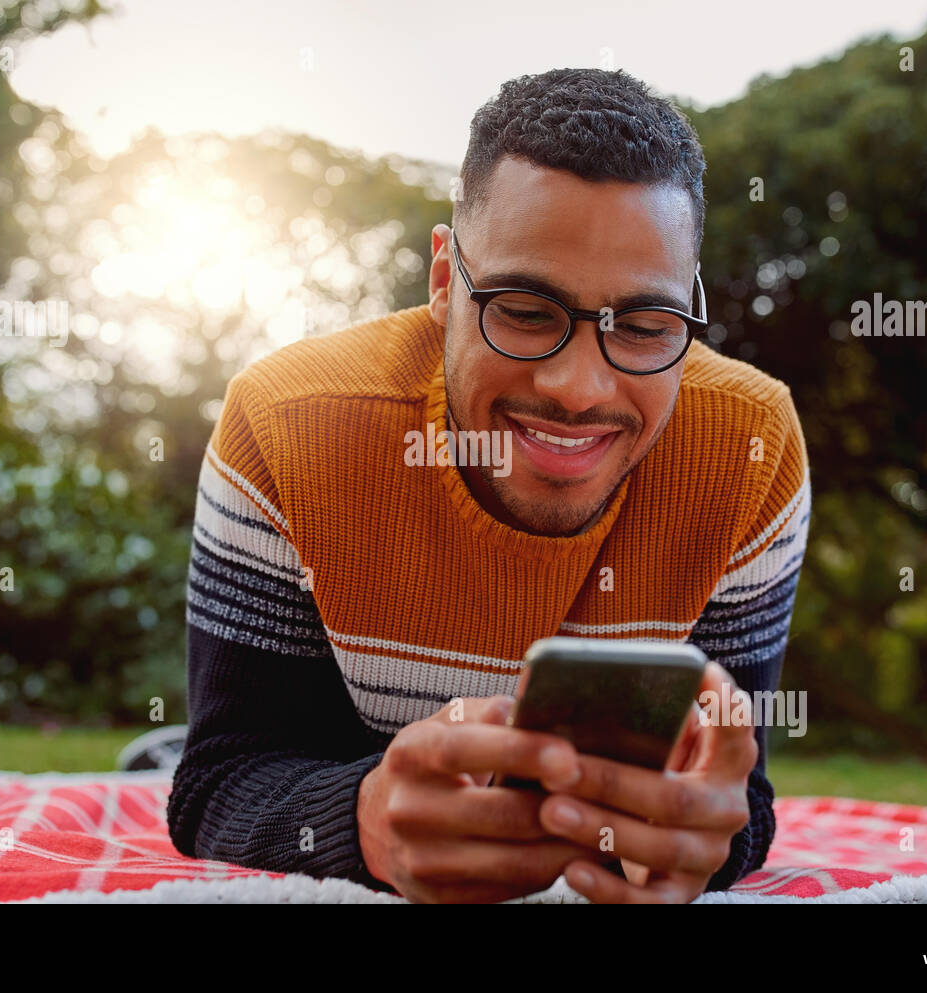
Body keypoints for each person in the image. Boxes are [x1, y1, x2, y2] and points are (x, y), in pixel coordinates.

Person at [165, 67, 810, 904]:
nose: (580, 388)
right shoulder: (285, 421)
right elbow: (222, 775)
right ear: (445, 280)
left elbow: (739, 795)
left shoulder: (752, 446)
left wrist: (703, 838)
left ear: (687, 309)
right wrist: (362, 820)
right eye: (526, 310)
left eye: (646, 327)